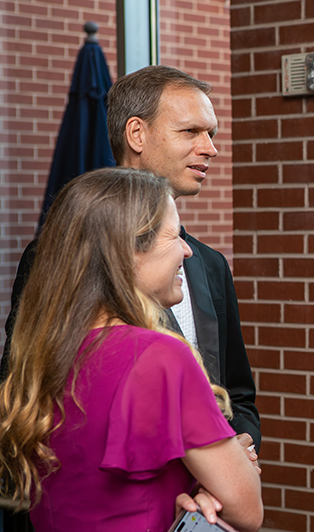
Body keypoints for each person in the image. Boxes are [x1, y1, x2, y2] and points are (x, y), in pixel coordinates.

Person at [2, 65, 260, 452]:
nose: (210, 147)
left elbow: (237, 394)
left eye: (211, 133)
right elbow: (25, 384)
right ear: (137, 133)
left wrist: (241, 443)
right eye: (191, 131)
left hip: (207, 501)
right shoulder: (63, 251)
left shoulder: (209, 264)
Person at [0, 168, 263, 532]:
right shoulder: (160, 358)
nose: (187, 250)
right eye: (175, 236)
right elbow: (248, 510)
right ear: (129, 252)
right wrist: (211, 495)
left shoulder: (41, 356)